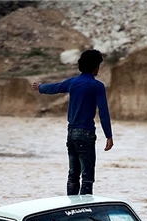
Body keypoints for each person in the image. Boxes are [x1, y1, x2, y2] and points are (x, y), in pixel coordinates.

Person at [31, 49, 113, 196]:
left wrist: (40, 87)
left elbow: (55, 87)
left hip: (71, 134)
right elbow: (104, 112)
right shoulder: (97, 86)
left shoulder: (73, 82)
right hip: (86, 134)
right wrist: (109, 136)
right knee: (87, 177)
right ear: (95, 67)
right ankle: (84, 209)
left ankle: (70, 207)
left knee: (73, 175)